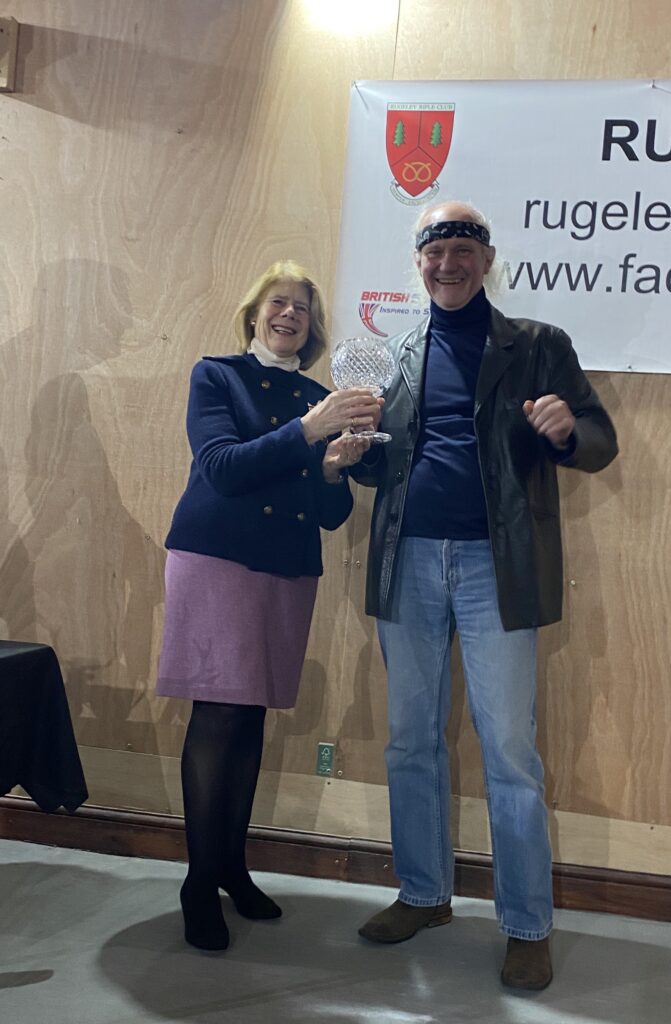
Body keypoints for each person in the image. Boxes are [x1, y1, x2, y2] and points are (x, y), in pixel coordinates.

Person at [352, 201, 618, 990]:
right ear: (419, 262)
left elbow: (599, 442)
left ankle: (526, 922)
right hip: (407, 563)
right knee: (409, 738)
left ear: (488, 258)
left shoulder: (538, 346)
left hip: (496, 568)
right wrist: (352, 453)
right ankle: (424, 892)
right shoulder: (397, 350)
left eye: (464, 248)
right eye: (436, 249)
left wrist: (568, 428)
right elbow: (384, 465)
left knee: (508, 751)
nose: (449, 262)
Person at [156, 260, 380, 951]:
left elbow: (329, 514)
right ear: (255, 312)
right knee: (218, 712)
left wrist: (336, 468)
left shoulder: (321, 395)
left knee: (250, 716)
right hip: (217, 557)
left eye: (303, 310)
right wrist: (311, 432)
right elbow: (222, 467)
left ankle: (230, 865)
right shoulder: (215, 375)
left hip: (285, 566)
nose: (289, 315)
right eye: (278, 303)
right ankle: (198, 880)